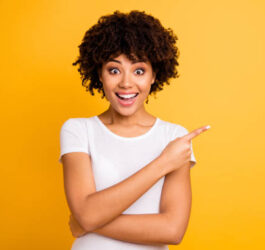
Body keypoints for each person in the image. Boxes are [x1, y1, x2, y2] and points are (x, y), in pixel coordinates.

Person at [58, 10, 210, 250]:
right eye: (114, 70)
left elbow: (172, 230)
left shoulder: (173, 137)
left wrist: (88, 222)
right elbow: (85, 213)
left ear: (154, 75)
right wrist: (163, 163)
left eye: (139, 70)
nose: (126, 83)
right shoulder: (78, 130)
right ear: (100, 74)